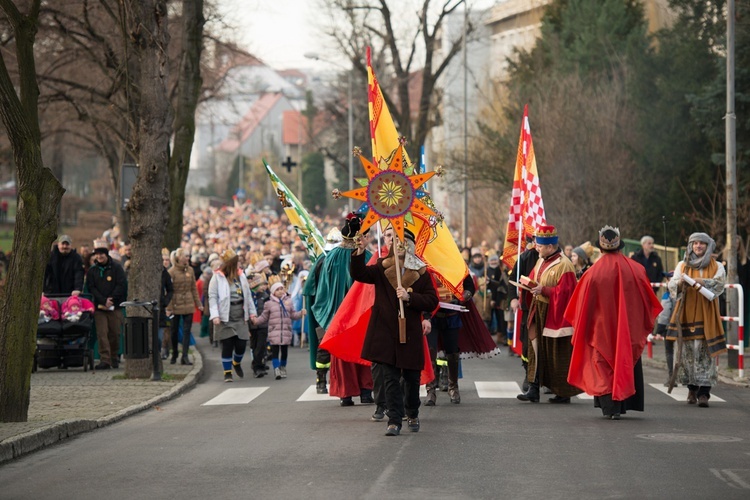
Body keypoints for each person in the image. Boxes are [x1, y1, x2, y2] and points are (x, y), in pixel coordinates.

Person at [564, 226, 662, 419]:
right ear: (620, 247)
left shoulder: (591, 274)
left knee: (603, 366)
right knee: (625, 361)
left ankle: (609, 408)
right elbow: (647, 300)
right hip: (627, 329)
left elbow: (580, 306)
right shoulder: (636, 269)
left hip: (601, 330)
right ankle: (622, 405)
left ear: (601, 249)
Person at [350, 228, 438, 436]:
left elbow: (432, 300)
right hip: (385, 332)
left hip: (410, 332)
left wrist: (410, 298)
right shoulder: (381, 267)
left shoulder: (422, 272)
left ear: (410, 246)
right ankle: (394, 420)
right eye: (394, 241)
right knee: (389, 378)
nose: (397, 245)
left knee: (411, 378)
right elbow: (359, 274)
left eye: (402, 241)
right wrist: (359, 251)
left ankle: (413, 413)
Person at [310, 214, 374, 406]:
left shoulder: (330, 258)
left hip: (338, 315)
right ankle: (365, 391)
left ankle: (345, 394)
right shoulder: (368, 256)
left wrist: (328, 314)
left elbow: (323, 291)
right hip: (361, 314)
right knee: (364, 350)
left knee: (342, 354)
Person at [516, 225, 580, 404]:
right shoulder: (540, 260)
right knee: (535, 349)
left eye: (540, 246)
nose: (536, 248)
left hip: (554, 314)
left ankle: (563, 392)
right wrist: (527, 285)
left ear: (551, 247)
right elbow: (534, 279)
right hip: (539, 311)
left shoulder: (564, 265)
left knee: (555, 353)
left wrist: (544, 290)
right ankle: (533, 388)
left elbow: (567, 293)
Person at [666, 232, 727, 408]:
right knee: (688, 353)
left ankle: (704, 393)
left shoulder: (717, 266)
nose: (698, 246)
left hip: (706, 313)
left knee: (704, 353)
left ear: (708, 246)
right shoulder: (682, 265)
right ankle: (691, 389)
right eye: (695, 243)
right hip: (687, 311)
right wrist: (678, 284)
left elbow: (719, 285)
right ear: (690, 246)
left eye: (702, 243)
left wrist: (701, 281)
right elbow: (673, 285)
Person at [209, 248, 257, 382]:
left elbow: (248, 297)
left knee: (241, 343)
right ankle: (227, 373)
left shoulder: (241, 276)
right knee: (228, 344)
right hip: (225, 314)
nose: (239, 265)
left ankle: (236, 362)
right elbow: (212, 297)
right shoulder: (217, 277)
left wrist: (252, 313)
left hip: (239, 313)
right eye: (236, 262)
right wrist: (215, 315)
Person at [86, 240, 127, 370]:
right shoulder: (93, 271)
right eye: (97, 255)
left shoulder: (116, 268)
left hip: (115, 307)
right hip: (100, 307)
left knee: (115, 333)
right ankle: (105, 360)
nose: (99, 257)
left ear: (106, 254)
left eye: (101, 254)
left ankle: (114, 357)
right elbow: (91, 288)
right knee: (102, 333)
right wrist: (103, 300)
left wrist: (111, 299)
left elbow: (121, 285)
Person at [253, 279, 304, 379]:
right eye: (277, 289)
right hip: (274, 331)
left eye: (282, 289)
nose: (280, 291)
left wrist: (300, 313)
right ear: (273, 292)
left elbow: (293, 314)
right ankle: (276, 369)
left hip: (286, 331)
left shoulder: (289, 302)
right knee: (275, 352)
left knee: (284, 352)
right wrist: (256, 321)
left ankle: (283, 367)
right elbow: (264, 317)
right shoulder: (269, 304)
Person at [167, 248, 203, 365]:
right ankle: (175, 353)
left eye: (188, 256)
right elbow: (169, 291)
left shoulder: (191, 270)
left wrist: (198, 304)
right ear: (179, 258)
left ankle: (185, 355)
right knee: (174, 330)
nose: (188, 258)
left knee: (187, 331)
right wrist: (169, 307)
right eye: (185, 256)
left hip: (188, 303)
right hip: (176, 303)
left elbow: (193, 288)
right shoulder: (171, 272)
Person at [248, 272, 270, 378]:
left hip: (263, 325)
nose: (263, 287)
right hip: (252, 325)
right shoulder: (249, 296)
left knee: (261, 346)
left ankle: (257, 367)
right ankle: (258, 364)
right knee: (254, 345)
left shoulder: (265, 296)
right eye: (260, 285)